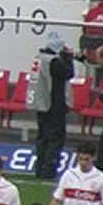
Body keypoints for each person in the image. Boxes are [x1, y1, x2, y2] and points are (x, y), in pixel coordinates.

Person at [31, 31, 77, 180]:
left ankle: (39, 168)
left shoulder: (38, 58)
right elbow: (69, 73)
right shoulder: (54, 62)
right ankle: (48, 171)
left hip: (41, 105)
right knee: (55, 139)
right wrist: (69, 58)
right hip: (54, 105)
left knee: (42, 138)